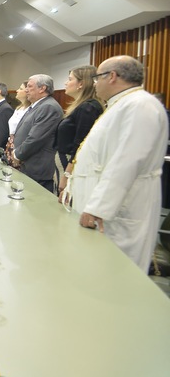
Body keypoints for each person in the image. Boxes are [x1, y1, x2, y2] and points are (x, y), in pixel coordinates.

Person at [69, 56, 168, 273]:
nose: (95, 83)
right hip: (105, 200)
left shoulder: (140, 105)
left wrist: (98, 207)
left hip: (122, 206)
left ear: (112, 76)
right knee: (94, 264)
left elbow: (127, 161)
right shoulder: (120, 104)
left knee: (116, 268)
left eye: (97, 78)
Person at [56, 66, 104, 195]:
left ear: (81, 84)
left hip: (71, 164)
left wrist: (67, 174)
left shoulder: (88, 108)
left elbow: (80, 144)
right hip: (66, 162)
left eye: (70, 79)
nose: (66, 83)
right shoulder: (81, 106)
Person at [12, 74, 64, 192]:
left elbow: (36, 138)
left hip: (37, 166)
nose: (26, 90)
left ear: (42, 88)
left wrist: (17, 154)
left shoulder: (48, 107)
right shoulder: (36, 106)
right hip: (28, 164)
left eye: (29, 86)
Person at [4, 82, 31, 168]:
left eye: (20, 89)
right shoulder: (19, 108)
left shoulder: (30, 110)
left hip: (20, 145)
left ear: (27, 91)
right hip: (11, 143)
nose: (17, 90)